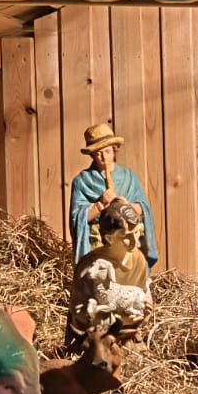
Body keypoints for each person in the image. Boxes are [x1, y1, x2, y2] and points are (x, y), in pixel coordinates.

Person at [68, 122, 158, 269]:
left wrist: (127, 206)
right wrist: (100, 204)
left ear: (115, 150)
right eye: (98, 153)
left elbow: (144, 208)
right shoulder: (82, 181)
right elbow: (77, 218)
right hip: (99, 245)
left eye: (107, 151)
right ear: (91, 155)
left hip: (128, 241)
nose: (104, 157)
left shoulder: (129, 177)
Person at [68, 202, 151, 344]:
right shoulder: (91, 266)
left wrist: (144, 313)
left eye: (137, 233)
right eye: (126, 236)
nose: (135, 242)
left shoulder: (139, 260)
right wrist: (117, 319)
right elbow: (79, 311)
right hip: (95, 340)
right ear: (109, 238)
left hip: (128, 337)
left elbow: (143, 296)